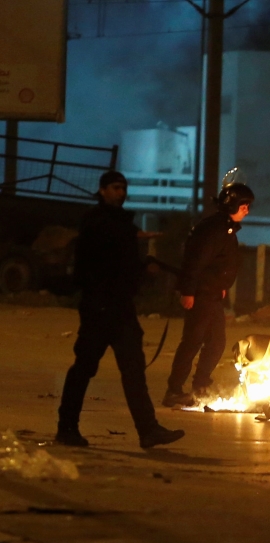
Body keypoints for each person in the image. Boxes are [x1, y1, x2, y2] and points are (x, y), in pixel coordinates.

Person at [56, 171, 185, 448]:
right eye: (115, 188)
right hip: (99, 308)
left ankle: (148, 430)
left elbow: (125, 266)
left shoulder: (122, 224)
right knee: (84, 368)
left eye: (123, 188)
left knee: (134, 371)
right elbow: (95, 267)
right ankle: (66, 428)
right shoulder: (97, 223)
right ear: (102, 190)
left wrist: (144, 271)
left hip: (120, 309)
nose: (120, 192)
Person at [162, 181, 254, 407]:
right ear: (232, 204)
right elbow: (195, 262)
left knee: (216, 343)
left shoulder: (226, 229)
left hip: (212, 294)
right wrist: (188, 291)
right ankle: (174, 391)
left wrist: (221, 284)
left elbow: (220, 262)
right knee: (192, 342)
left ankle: (200, 385)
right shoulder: (214, 229)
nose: (247, 211)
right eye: (244, 206)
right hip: (201, 294)